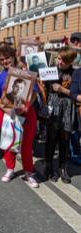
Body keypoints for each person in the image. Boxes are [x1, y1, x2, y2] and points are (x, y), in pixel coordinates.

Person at [0, 44, 39, 188]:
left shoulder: (24, 73)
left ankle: (29, 173)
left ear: (13, 57)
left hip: (27, 113)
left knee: (26, 144)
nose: (6, 61)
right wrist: (6, 109)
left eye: (8, 58)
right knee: (9, 142)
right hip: (7, 114)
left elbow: (34, 93)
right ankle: (10, 169)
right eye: (2, 59)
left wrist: (27, 105)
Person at [41, 47, 77, 183]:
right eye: (58, 58)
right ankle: (49, 165)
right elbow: (40, 83)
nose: (58, 61)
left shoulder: (75, 74)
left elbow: (77, 94)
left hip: (67, 108)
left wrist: (62, 89)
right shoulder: (52, 70)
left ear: (69, 61)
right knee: (51, 138)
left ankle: (63, 168)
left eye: (62, 59)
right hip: (54, 107)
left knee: (64, 140)